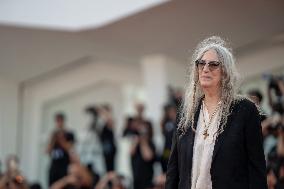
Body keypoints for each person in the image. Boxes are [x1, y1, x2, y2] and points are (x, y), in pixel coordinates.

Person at [165, 36, 268, 189]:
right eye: (201, 64)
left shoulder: (245, 110)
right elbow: (174, 169)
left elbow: (256, 168)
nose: (205, 69)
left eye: (213, 65)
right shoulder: (186, 112)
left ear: (225, 72)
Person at [47, 113, 78, 186]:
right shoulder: (54, 134)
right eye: (57, 121)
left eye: (60, 121)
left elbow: (70, 149)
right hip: (54, 166)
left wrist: (61, 138)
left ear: (63, 121)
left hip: (64, 166)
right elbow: (48, 151)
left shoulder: (69, 134)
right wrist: (53, 139)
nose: (58, 123)